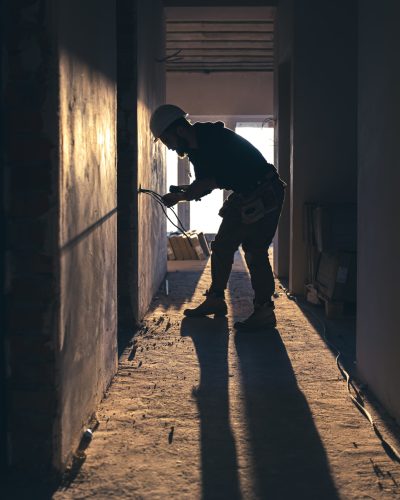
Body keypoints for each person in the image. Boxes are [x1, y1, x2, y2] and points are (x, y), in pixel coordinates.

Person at [150, 104, 286, 330]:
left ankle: (264, 311)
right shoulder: (195, 151)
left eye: (167, 140)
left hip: (266, 191)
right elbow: (204, 185)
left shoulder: (214, 138)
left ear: (180, 131)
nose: (170, 147)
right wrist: (183, 194)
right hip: (247, 193)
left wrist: (181, 196)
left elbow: (210, 182)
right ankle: (215, 299)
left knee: (254, 250)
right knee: (222, 246)